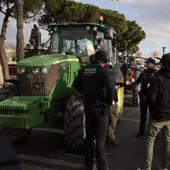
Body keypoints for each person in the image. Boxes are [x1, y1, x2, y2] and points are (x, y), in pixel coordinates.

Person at [73, 50, 117, 170]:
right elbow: (111, 88)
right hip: (101, 109)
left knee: (89, 138)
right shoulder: (104, 71)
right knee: (100, 142)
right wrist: (109, 102)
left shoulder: (84, 70)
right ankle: (102, 167)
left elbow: (75, 84)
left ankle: (88, 166)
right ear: (104, 60)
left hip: (88, 107)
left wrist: (86, 94)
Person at [138, 53, 170, 170]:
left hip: (158, 116)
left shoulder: (157, 77)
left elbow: (152, 98)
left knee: (150, 140)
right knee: (168, 142)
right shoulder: (156, 76)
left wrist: (146, 97)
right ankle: (164, 166)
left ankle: (147, 167)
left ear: (162, 63)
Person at [135, 58, 156, 137]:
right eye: (147, 63)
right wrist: (131, 82)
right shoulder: (143, 73)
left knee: (153, 116)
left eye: (149, 63)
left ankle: (153, 132)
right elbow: (137, 81)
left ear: (153, 65)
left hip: (152, 98)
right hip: (143, 97)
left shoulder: (156, 73)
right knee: (143, 115)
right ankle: (141, 131)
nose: (147, 64)